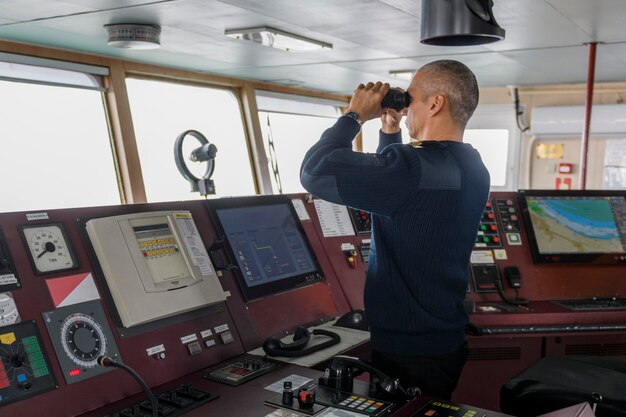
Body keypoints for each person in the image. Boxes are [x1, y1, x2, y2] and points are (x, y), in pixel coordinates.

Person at [300, 60, 490, 399]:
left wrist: (353, 116)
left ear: (436, 104)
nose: (407, 104)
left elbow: (315, 171)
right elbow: (396, 193)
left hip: (408, 352)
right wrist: (390, 127)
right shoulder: (472, 163)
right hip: (442, 341)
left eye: (411, 97)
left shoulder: (414, 168)